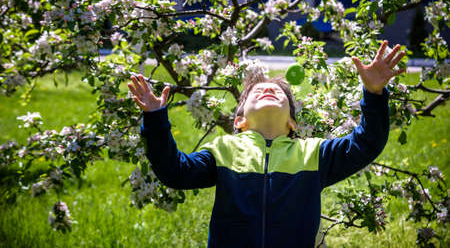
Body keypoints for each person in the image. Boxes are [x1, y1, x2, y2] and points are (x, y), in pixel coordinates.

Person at [127, 40, 406, 248]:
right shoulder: (224, 151)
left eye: (279, 93)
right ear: (239, 122)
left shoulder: (312, 154)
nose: (269, 89)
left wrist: (374, 94)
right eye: (258, 92)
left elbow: (367, 143)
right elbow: (174, 171)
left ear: (293, 124)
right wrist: (155, 119)